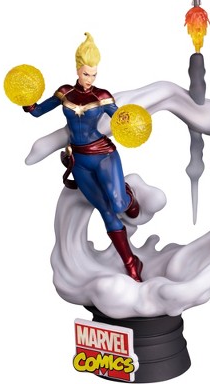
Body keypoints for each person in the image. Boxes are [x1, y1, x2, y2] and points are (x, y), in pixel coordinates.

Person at [22, 33, 143, 282]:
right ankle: (131, 262)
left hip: (103, 154)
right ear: (78, 70)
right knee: (105, 212)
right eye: (86, 74)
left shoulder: (102, 96)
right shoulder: (64, 93)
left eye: (94, 75)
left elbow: (122, 119)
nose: (90, 79)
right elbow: (38, 112)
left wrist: (133, 123)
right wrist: (26, 101)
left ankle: (127, 195)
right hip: (79, 161)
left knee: (118, 204)